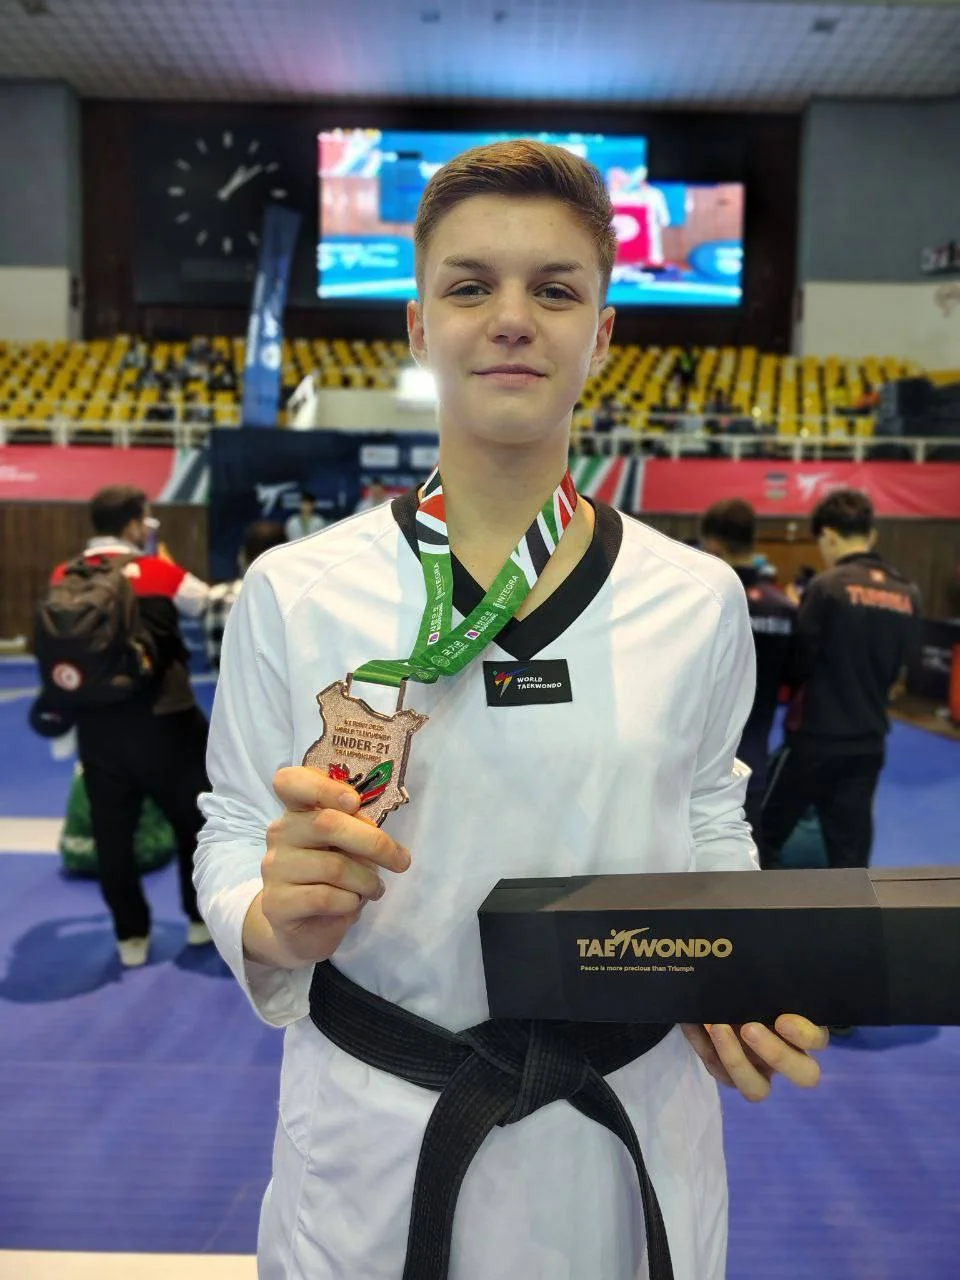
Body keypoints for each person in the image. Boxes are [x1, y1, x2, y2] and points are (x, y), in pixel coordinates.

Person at [195, 140, 826, 1280]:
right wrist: (266, 918)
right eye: (470, 285)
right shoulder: (297, 589)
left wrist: (729, 957)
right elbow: (236, 824)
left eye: (556, 290)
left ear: (604, 332)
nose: (512, 319)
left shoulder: (697, 597)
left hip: (626, 1112)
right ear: (417, 323)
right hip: (380, 1121)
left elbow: (707, 812)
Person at [47, 486, 211, 966]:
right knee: (194, 824)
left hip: (97, 727)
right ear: (136, 524)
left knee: (113, 836)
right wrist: (162, 560)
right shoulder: (158, 571)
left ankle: (131, 937)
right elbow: (202, 602)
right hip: (166, 721)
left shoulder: (65, 575)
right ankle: (199, 921)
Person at [760, 489, 921, 871]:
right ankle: (851, 912)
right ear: (872, 535)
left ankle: (760, 907)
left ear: (829, 536)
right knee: (850, 852)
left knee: (762, 833)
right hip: (869, 742)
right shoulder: (908, 592)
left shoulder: (827, 587)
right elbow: (906, 668)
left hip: (815, 740)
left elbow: (798, 664)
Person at [701, 499, 796, 834]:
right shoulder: (784, 609)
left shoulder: (701, 601)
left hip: (697, 771)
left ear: (713, 545)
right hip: (754, 763)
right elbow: (794, 677)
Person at [204, 520, 286, 670]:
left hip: (231, 684)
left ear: (242, 556)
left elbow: (217, 660)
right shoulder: (301, 600)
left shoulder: (218, 597)